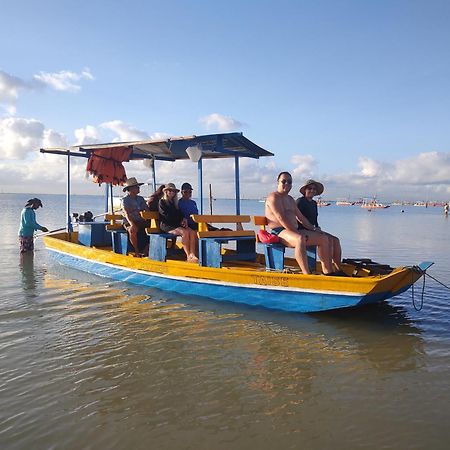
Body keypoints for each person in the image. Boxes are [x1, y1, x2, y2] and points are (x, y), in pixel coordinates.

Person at [265, 172, 336, 275]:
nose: (287, 184)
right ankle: (306, 273)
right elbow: (281, 218)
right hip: (279, 231)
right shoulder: (273, 197)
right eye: (283, 181)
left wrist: (313, 229)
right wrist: (296, 232)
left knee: (323, 238)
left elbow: (301, 218)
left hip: (294, 230)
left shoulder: (290, 199)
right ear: (278, 182)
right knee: (300, 239)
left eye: (289, 182)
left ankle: (328, 272)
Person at [296, 179, 343, 272]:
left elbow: (315, 220)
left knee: (335, 240)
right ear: (305, 190)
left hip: (312, 230)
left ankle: (338, 269)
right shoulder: (300, 201)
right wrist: (313, 228)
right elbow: (298, 218)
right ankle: (327, 270)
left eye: (314, 189)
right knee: (325, 239)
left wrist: (317, 228)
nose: (312, 190)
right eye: (309, 188)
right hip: (301, 230)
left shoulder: (314, 203)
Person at [159, 183, 199, 262]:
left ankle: (192, 254)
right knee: (184, 232)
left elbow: (179, 213)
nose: (172, 192)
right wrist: (179, 220)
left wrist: (183, 219)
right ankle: (188, 255)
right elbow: (165, 216)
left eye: (173, 191)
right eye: (169, 190)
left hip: (175, 225)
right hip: (167, 225)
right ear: (166, 192)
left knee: (192, 232)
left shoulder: (174, 202)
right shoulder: (162, 202)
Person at [121, 177, 150, 257]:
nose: (138, 188)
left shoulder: (141, 199)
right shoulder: (125, 200)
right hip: (128, 221)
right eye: (136, 187)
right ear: (130, 189)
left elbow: (147, 210)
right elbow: (126, 213)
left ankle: (146, 249)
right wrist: (132, 224)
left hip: (140, 220)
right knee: (132, 230)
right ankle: (136, 251)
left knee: (157, 228)